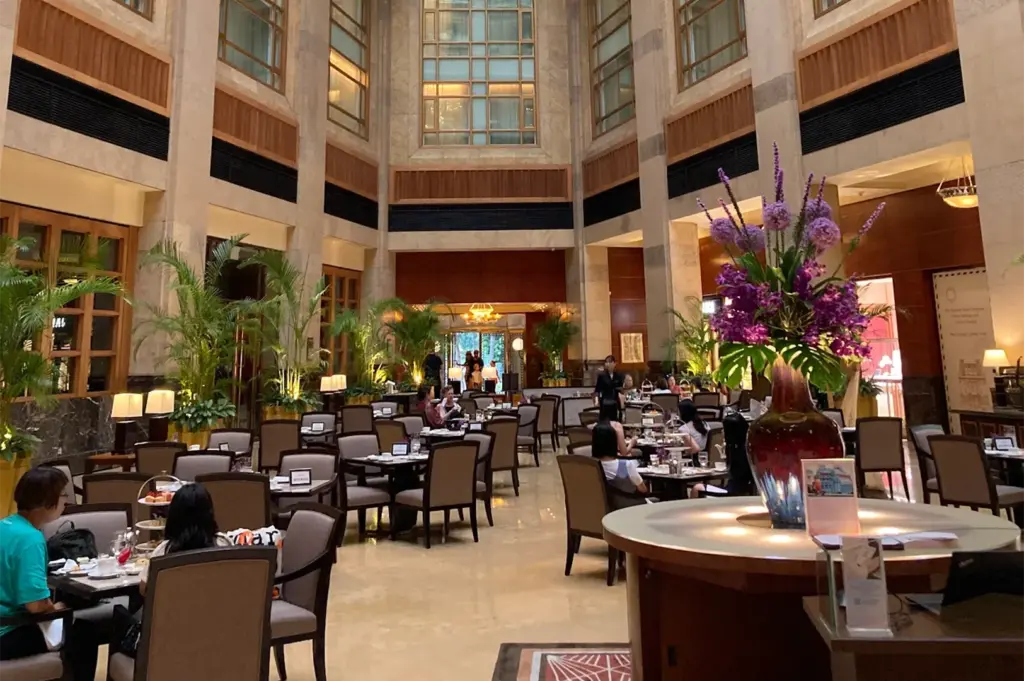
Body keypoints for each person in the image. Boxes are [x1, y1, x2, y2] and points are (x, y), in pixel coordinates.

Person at [0, 467, 101, 680]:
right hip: (8, 632)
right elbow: (35, 605)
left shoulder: (5, 525)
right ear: (47, 501)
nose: (65, 501)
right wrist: (55, 608)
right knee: (86, 634)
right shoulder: (30, 539)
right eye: (63, 495)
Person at [140, 483, 231, 595]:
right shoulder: (224, 545)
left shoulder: (163, 552)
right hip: (218, 610)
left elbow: (144, 589)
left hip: (173, 611)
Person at [592, 422, 648, 509]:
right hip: (630, 508)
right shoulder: (625, 465)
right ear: (614, 442)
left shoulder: (590, 467)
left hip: (603, 508)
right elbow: (643, 489)